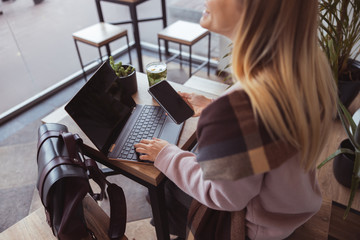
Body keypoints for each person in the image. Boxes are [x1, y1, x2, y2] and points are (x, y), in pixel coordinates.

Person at [135, 0, 337, 239]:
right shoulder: (305, 69)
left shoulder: (235, 111)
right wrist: (214, 108)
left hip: (258, 225)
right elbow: (267, 130)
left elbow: (224, 197)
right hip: (292, 205)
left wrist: (166, 155)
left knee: (162, 186)